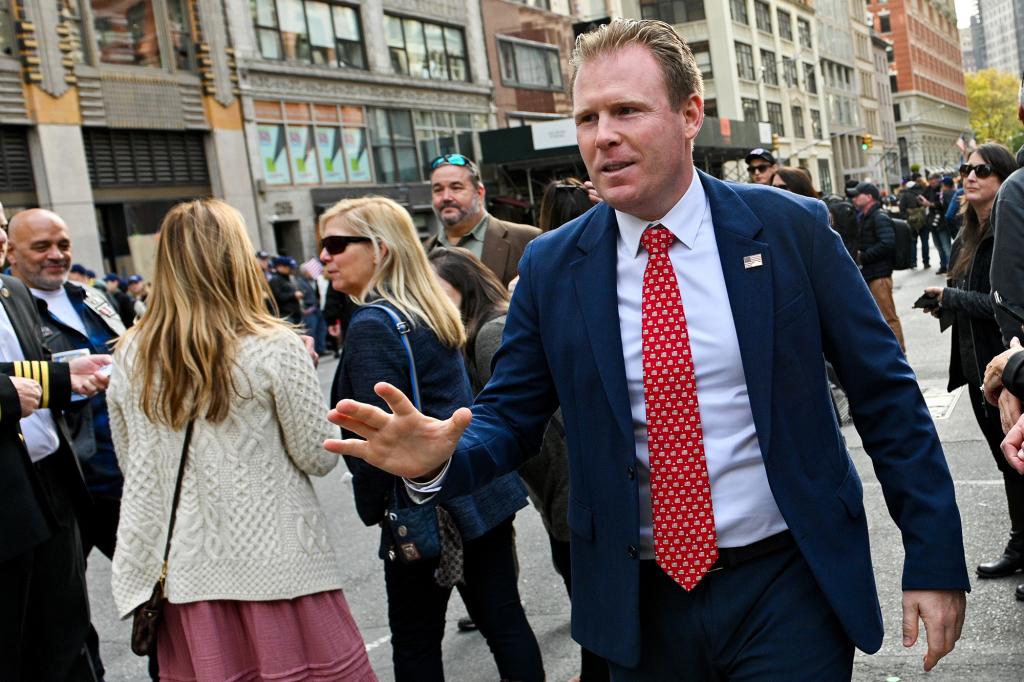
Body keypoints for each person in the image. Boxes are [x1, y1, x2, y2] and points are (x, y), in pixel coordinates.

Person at [326, 19, 968, 680]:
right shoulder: (555, 267)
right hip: (640, 602)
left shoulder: (787, 232)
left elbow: (885, 395)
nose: (603, 136)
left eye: (626, 111)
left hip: (787, 583)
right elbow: (510, 415)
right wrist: (441, 456)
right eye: (587, 118)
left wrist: (934, 555)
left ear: (690, 114)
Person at [108, 199, 375, 681]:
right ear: (237, 259)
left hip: (186, 579)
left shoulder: (129, 355)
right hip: (279, 567)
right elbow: (318, 456)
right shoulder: (276, 346)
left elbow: (136, 465)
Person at [320, 196, 543, 682]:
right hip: (476, 491)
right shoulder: (423, 307)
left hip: (424, 502)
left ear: (379, 249)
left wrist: (376, 504)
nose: (324, 256)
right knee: (503, 621)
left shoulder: (376, 323)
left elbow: (379, 439)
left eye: (336, 244)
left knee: (417, 639)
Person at [6, 208, 129, 679]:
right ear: (11, 253)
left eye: (63, 244)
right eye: (41, 247)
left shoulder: (92, 298)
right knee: (56, 624)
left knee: (160, 596)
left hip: (115, 475)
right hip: (52, 482)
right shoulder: (14, 304)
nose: (56, 255)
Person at [918, 145, 1020, 586]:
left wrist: (952, 298)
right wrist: (942, 303)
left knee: (1020, 458)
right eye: (965, 169)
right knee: (1006, 462)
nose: (970, 176)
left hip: (1009, 363)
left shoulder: (1009, 229)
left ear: (1004, 178)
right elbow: (969, 298)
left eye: (981, 170)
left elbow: (1003, 303)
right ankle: (1020, 543)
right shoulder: (966, 234)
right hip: (978, 368)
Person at [424, 153, 540, 286]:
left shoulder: (528, 240)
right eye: (438, 190)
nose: (446, 197)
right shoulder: (423, 254)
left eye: (456, 187)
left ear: (479, 193)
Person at [851, 181, 906, 352]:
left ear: (868, 197)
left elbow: (887, 243)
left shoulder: (879, 216)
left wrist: (863, 256)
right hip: (872, 274)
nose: (853, 198)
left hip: (879, 276)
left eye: (857, 195)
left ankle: (899, 354)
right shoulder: (866, 216)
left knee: (889, 318)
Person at [298, 262, 327, 355]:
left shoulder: (314, 281)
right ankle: (313, 350)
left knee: (321, 328)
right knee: (311, 331)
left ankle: (321, 348)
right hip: (308, 310)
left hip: (317, 308)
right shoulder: (300, 282)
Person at [899, 178, 929, 268]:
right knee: (925, 242)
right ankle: (926, 262)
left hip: (911, 222)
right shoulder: (922, 192)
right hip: (924, 221)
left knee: (912, 242)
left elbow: (902, 208)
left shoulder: (905, 195)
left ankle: (913, 262)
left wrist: (906, 218)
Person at [268, 255, 303, 325]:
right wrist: (293, 295)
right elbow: (278, 297)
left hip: (295, 314)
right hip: (285, 316)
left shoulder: (288, 278)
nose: (291, 269)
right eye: (289, 267)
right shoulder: (275, 280)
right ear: (280, 267)